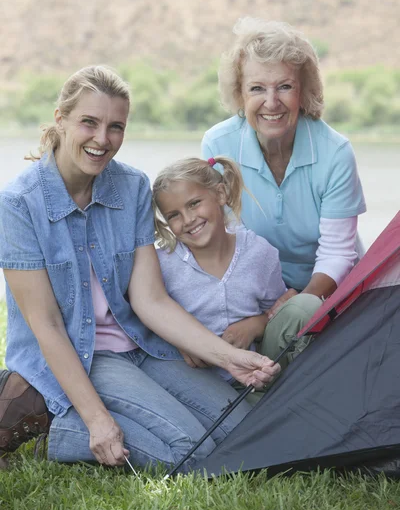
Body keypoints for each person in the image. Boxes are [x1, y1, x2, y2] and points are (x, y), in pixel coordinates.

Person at [0, 65, 280, 471]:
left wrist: (227, 358)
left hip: (143, 343)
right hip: (87, 355)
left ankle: (78, 416)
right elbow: (48, 326)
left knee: (241, 427)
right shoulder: (18, 204)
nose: (102, 139)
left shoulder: (131, 187)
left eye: (116, 126)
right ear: (61, 120)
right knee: (190, 451)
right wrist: (98, 422)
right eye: (89, 123)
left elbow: (150, 301)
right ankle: (58, 432)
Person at [202, 18, 366, 331]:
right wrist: (262, 312)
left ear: (303, 90)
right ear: (240, 93)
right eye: (257, 88)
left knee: (300, 314)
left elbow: (337, 254)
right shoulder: (218, 145)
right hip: (257, 289)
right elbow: (231, 240)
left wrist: (297, 302)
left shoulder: (335, 153)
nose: (271, 102)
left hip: (328, 289)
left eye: (285, 86)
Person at [152, 155, 289, 381]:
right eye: (173, 215)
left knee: (304, 308)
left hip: (255, 375)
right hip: (196, 382)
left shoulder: (259, 253)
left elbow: (276, 313)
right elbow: (149, 318)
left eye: (194, 203)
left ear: (220, 194)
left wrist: (256, 325)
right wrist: (180, 342)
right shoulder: (162, 265)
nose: (187, 220)